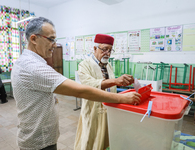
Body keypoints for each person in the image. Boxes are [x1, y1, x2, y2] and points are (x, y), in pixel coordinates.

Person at [11, 17, 141, 150]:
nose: (55, 45)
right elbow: (82, 90)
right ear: (33, 39)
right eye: (51, 39)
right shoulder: (33, 67)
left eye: (110, 50)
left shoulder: (28, 62)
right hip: (39, 141)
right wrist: (122, 98)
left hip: (42, 136)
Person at [74, 34, 135, 150]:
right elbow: (89, 85)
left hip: (109, 109)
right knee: (90, 139)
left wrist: (121, 82)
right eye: (104, 49)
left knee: (106, 139)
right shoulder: (84, 65)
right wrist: (115, 81)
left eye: (110, 50)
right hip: (93, 110)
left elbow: (111, 86)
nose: (107, 53)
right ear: (95, 49)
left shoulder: (108, 65)